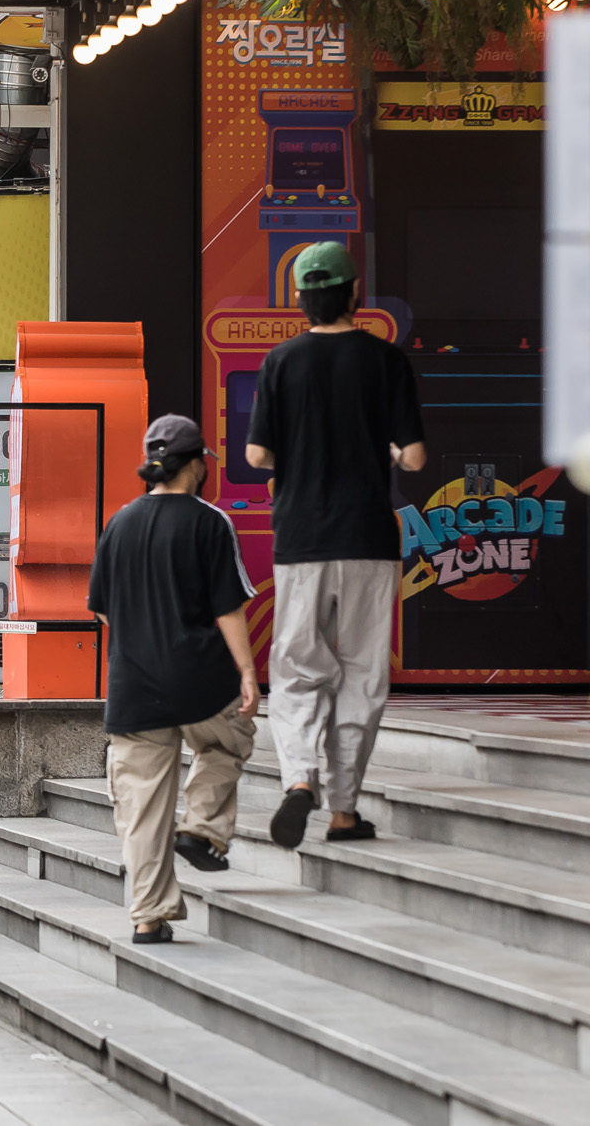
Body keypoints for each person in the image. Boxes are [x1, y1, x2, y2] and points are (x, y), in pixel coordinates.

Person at [246, 243, 427, 851]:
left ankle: (300, 779)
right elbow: (416, 456)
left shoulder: (281, 362)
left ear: (301, 299)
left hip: (301, 538)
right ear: (354, 294)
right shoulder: (386, 361)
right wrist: (392, 450)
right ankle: (345, 810)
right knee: (362, 673)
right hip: (370, 539)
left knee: (297, 671)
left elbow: (257, 456)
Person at [87, 416, 260, 944]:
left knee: (139, 808)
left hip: (134, 687)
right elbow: (228, 608)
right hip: (200, 680)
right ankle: (202, 829)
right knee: (227, 743)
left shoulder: (119, 523)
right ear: (197, 465)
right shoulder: (210, 523)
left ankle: (149, 915)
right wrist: (248, 673)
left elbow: (102, 611)